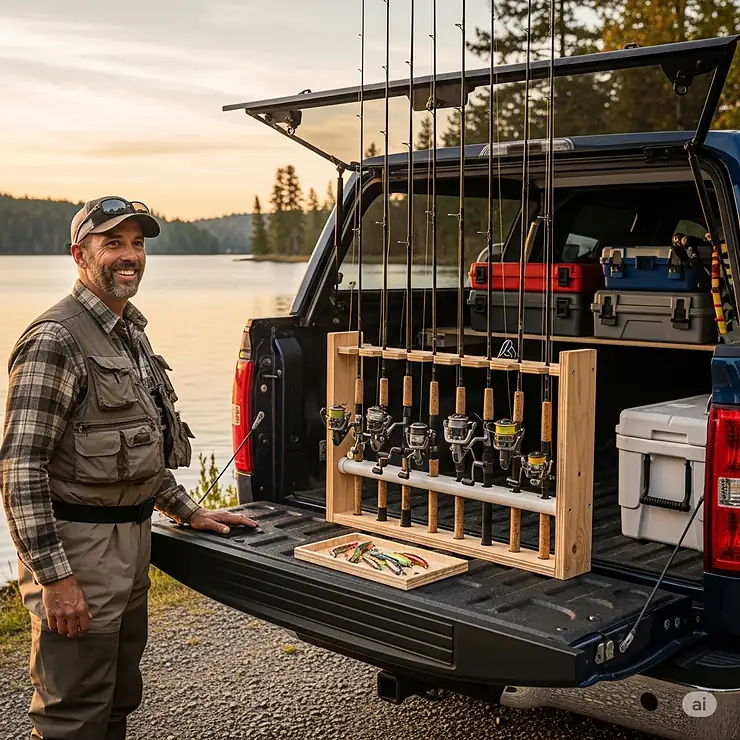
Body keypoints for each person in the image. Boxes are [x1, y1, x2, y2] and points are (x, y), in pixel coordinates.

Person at [0, 196, 257, 740]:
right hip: (79, 551)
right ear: (79, 254)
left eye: (138, 244)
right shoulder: (55, 340)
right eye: (113, 242)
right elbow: (20, 470)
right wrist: (56, 577)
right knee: (73, 713)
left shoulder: (129, 332)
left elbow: (136, 449)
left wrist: (189, 511)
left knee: (117, 698)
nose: (130, 255)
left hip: (132, 541)